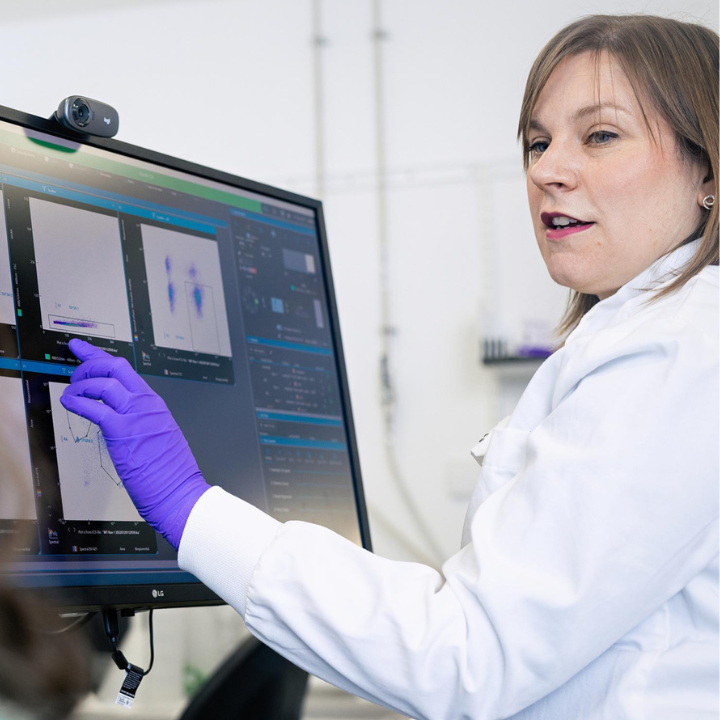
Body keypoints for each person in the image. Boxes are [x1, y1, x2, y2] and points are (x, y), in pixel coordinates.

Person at [59, 13, 718, 720]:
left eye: (600, 135)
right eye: (536, 141)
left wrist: (192, 509)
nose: (547, 170)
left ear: (707, 170)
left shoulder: (679, 352)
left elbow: (468, 657)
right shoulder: (646, 339)